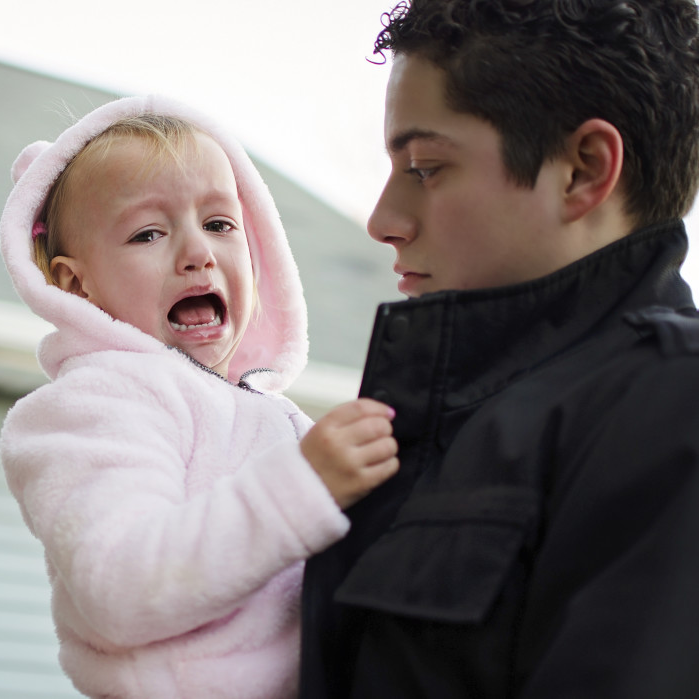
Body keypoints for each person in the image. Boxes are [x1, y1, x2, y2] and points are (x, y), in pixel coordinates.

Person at [299, 0, 699, 697]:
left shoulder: (672, 409)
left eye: (423, 166)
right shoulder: (443, 419)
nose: (381, 221)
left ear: (582, 169)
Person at [0, 95, 398, 699]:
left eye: (218, 224)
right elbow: (118, 584)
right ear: (76, 284)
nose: (198, 253)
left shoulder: (269, 413)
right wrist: (307, 485)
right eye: (148, 233)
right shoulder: (97, 403)